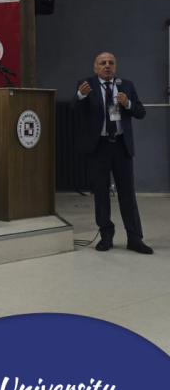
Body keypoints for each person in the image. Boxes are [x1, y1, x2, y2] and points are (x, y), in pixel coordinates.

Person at [74, 52, 151, 254]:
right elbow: (75, 109)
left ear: (115, 67)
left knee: (127, 194)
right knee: (101, 194)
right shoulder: (86, 84)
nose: (107, 66)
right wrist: (80, 95)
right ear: (95, 67)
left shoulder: (126, 85)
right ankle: (106, 237)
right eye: (103, 63)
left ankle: (135, 238)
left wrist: (127, 103)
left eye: (111, 63)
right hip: (98, 147)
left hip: (121, 146)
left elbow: (141, 112)